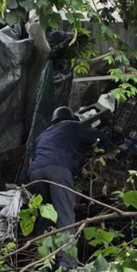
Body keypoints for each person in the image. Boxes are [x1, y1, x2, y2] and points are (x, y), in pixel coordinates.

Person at [24, 104, 107, 256]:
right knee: (64, 215)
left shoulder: (42, 134)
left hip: (35, 173)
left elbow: (31, 158)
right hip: (58, 171)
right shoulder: (71, 125)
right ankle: (68, 264)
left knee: (45, 216)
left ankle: (42, 259)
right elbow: (98, 137)